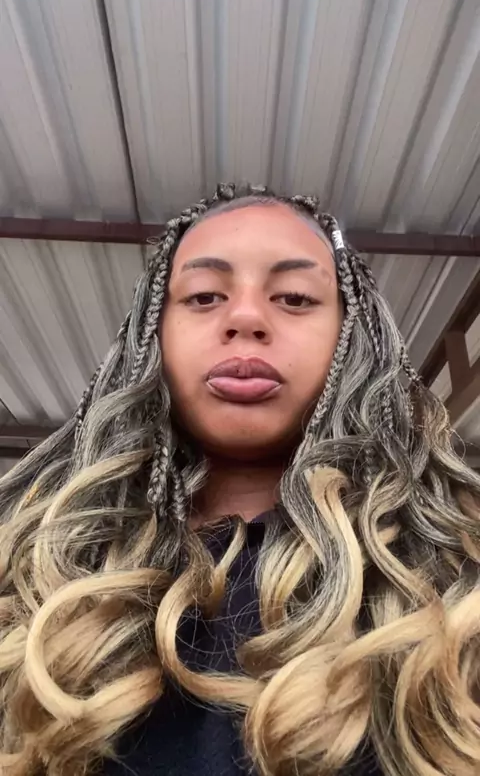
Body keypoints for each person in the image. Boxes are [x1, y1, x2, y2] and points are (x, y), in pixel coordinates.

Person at [0, 183, 479, 776]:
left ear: (353, 336)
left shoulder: (457, 569)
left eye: (296, 298)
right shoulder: (38, 565)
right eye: (204, 296)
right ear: (151, 336)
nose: (246, 318)